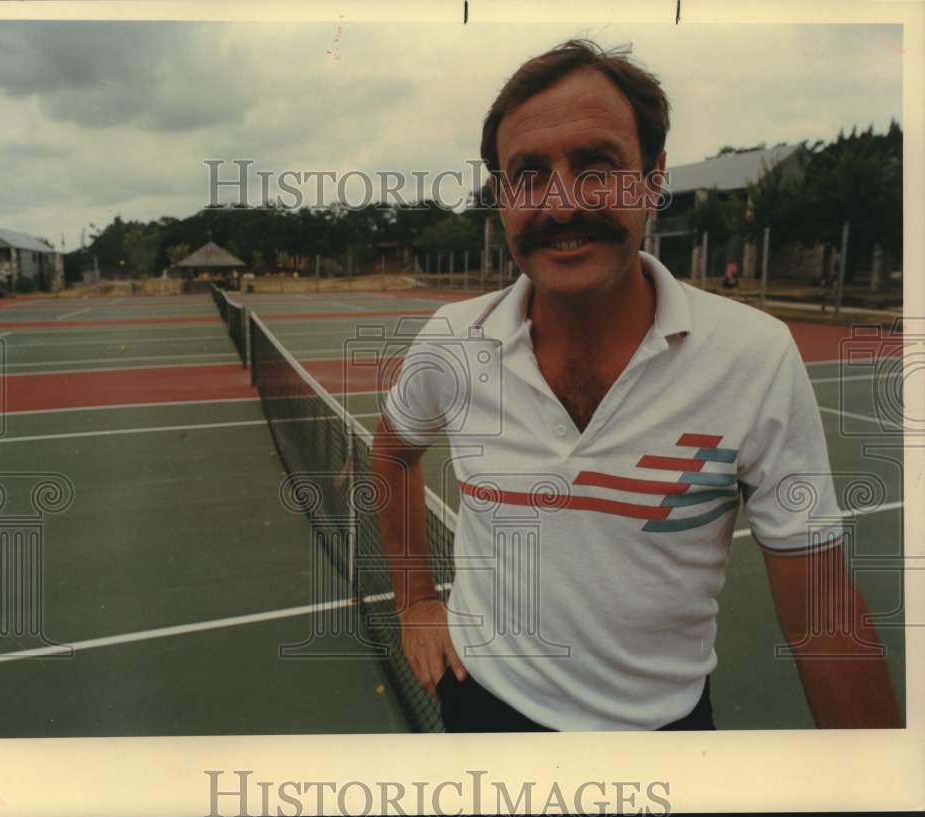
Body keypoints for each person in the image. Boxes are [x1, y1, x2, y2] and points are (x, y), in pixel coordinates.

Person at [369, 39, 901, 732]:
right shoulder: (450, 340)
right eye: (528, 175)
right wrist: (414, 601)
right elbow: (391, 452)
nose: (561, 204)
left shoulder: (754, 356)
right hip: (481, 706)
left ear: (652, 180)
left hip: (665, 740)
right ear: (501, 199)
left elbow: (824, 623)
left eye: (597, 167)